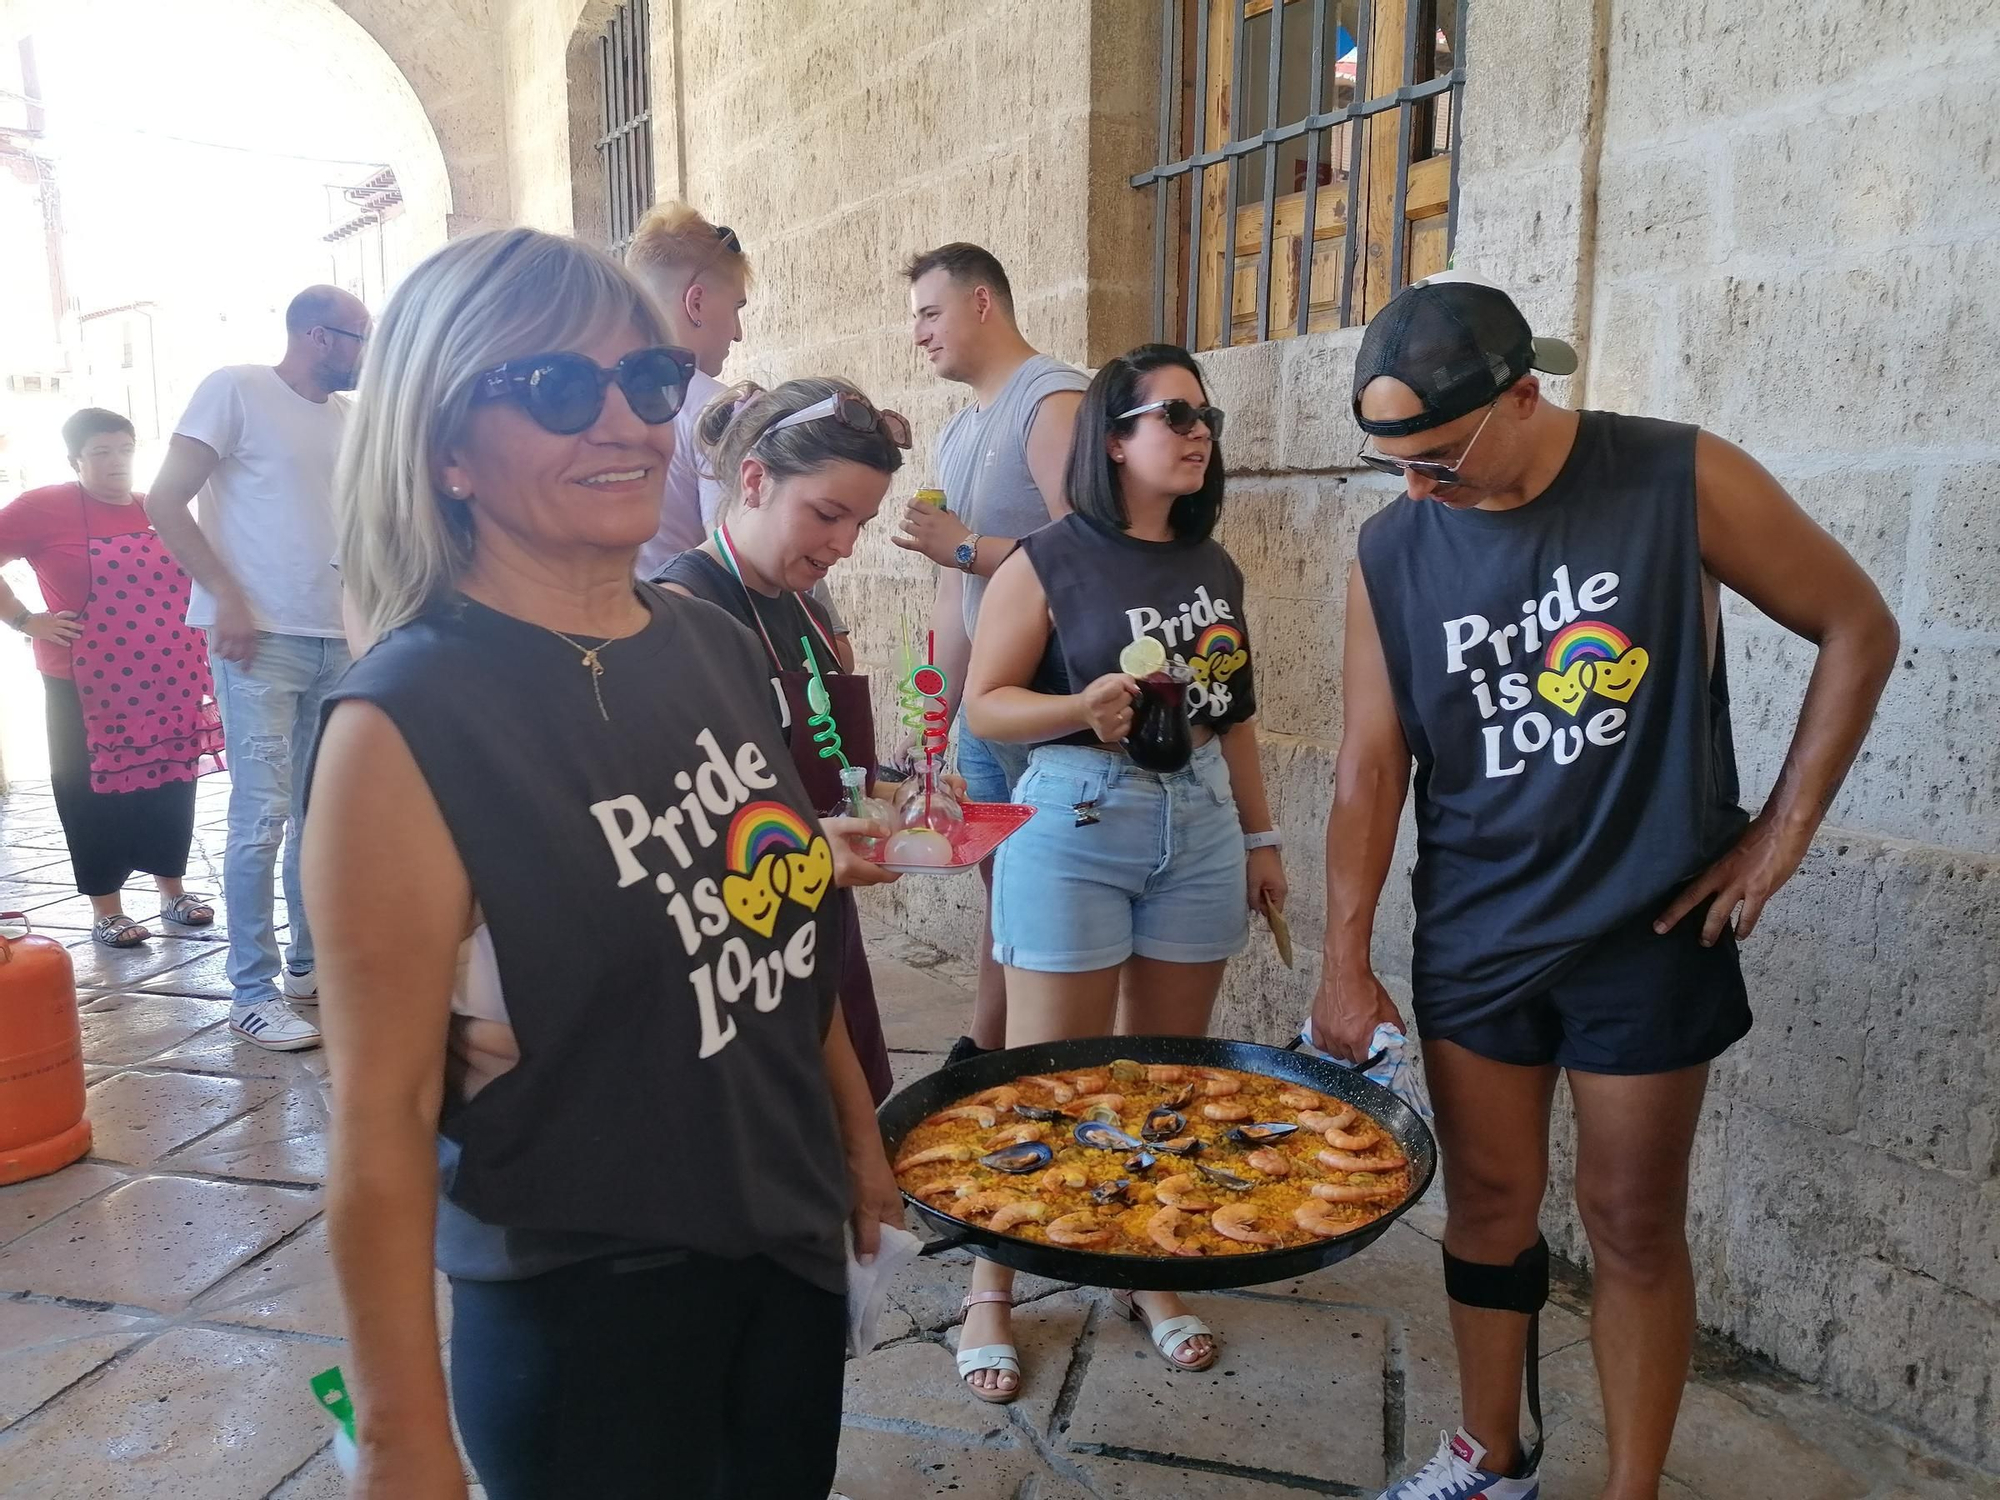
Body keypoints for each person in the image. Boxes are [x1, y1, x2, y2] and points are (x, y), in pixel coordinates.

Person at [304, 227, 904, 1500]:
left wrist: (857, 1142)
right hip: (589, 1305)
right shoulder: (405, 723)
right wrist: (405, 1443)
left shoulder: (708, 641)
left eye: (644, 382)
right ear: (446, 446)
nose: (627, 424)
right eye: (559, 391)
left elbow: (777, 931)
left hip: (785, 1249)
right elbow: (381, 1120)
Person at [1314, 275, 1900, 1500]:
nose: (1419, 489)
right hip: (1477, 927)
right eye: (1393, 467)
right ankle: (1491, 1455)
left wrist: (1777, 836)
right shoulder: (1392, 546)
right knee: (1484, 1206)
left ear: (1524, 396)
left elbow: (1855, 623)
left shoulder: (1674, 477)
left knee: (1630, 1221)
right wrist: (1342, 955)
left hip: (1646, 924)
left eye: (1439, 459)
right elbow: (1371, 764)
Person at [956, 343, 1288, 1403]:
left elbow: (1228, 713)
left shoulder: (1212, 566)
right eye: (1173, 416)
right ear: (1114, 437)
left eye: (1205, 418)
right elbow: (984, 703)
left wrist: (1260, 839)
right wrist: (1074, 706)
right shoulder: (1046, 559)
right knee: (1042, 1078)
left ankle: (1142, 1261)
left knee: (1164, 1074)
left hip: (1193, 826)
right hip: (1076, 813)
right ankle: (990, 1287)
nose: (1197, 433)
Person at [654, 376, 922, 1104]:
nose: (844, 545)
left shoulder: (800, 606)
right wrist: (807, 846)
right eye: (828, 514)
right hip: (744, 952)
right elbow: (675, 837)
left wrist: (903, 789)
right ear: (754, 479)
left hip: (821, 925)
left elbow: (829, 766)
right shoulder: (684, 613)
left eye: (861, 523)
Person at [145, 285, 370, 1052]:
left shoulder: (347, 417)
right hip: (259, 638)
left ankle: (309, 968)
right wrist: (225, 596)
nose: (363, 353)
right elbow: (165, 499)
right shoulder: (236, 390)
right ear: (316, 335)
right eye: (355, 338)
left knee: (322, 817)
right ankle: (250, 989)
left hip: (335, 638)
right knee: (261, 818)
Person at [896, 242, 1088, 1064]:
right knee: (1002, 884)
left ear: (982, 303)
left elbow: (1090, 559)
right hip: (986, 704)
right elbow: (954, 590)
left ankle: (1034, 1058)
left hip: (1050, 702)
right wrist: (932, 711)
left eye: (930, 313)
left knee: (1052, 893)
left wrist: (968, 547)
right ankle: (986, 1049)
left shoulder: (1055, 399)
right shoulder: (960, 429)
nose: (919, 335)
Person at [0, 408, 222, 945]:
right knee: (88, 788)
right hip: (83, 683)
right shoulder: (41, 508)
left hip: (168, 678)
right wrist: (26, 620)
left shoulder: (157, 508)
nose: (116, 462)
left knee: (172, 780)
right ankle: (108, 908)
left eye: (124, 449)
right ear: (75, 459)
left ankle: (174, 892)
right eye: (101, 451)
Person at [625, 203, 855, 670]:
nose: (738, 333)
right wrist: (830, 635)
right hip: (714, 655)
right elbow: (748, 546)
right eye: (735, 309)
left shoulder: (606, 404)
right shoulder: (721, 407)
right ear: (696, 302)